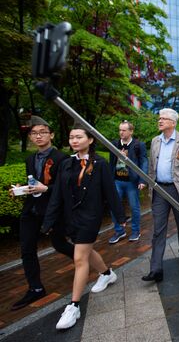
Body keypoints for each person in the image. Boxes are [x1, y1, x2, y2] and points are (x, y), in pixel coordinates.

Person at [41, 124, 125, 330]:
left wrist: (120, 217)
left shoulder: (100, 163)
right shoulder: (66, 164)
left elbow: (110, 192)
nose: (74, 141)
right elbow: (58, 195)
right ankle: (106, 274)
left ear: (90, 140)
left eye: (79, 137)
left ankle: (74, 306)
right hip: (72, 217)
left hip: (91, 217)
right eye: (71, 137)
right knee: (85, 251)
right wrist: (48, 221)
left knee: (80, 258)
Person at [9, 116, 75, 311]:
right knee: (27, 249)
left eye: (42, 132)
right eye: (34, 133)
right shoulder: (30, 159)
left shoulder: (61, 158)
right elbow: (33, 183)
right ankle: (36, 288)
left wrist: (45, 188)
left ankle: (83, 260)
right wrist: (21, 189)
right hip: (31, 209)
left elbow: (66, 187)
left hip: (52, 210)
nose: (38, 136)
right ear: (30, 137)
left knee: (60, 244)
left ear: (51, 135)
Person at [142, 108, 179, 282]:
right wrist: (151, 186)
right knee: (158, 229)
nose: (160, 121)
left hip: (178, 189)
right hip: (159, 190)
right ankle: (156, 268)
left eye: (164, 119)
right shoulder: (155, 141)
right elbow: (152, 166)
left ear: (173, 123)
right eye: (159, 118)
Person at [108, 120, 148, 244]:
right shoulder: (115, 144)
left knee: (134, 207)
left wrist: (142, 179)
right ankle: (119, 231)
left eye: (124, 130)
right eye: (120, 130)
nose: (121, 132)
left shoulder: (138, 145)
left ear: (131, 131)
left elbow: (144, 162)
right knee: (114, 206)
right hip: (117, 181)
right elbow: (111, 163)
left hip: (131, 181)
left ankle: (136, 231)